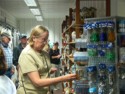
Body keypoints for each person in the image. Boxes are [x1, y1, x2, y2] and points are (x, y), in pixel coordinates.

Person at [17, 25, 77, 94]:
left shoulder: (44, 53)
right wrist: (63, 78)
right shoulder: (27, 54)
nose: (45, 43)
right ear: (34, 38)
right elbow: (37, 82)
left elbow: (40, 70)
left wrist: (49, 71)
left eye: (47, 40)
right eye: (43, 39)